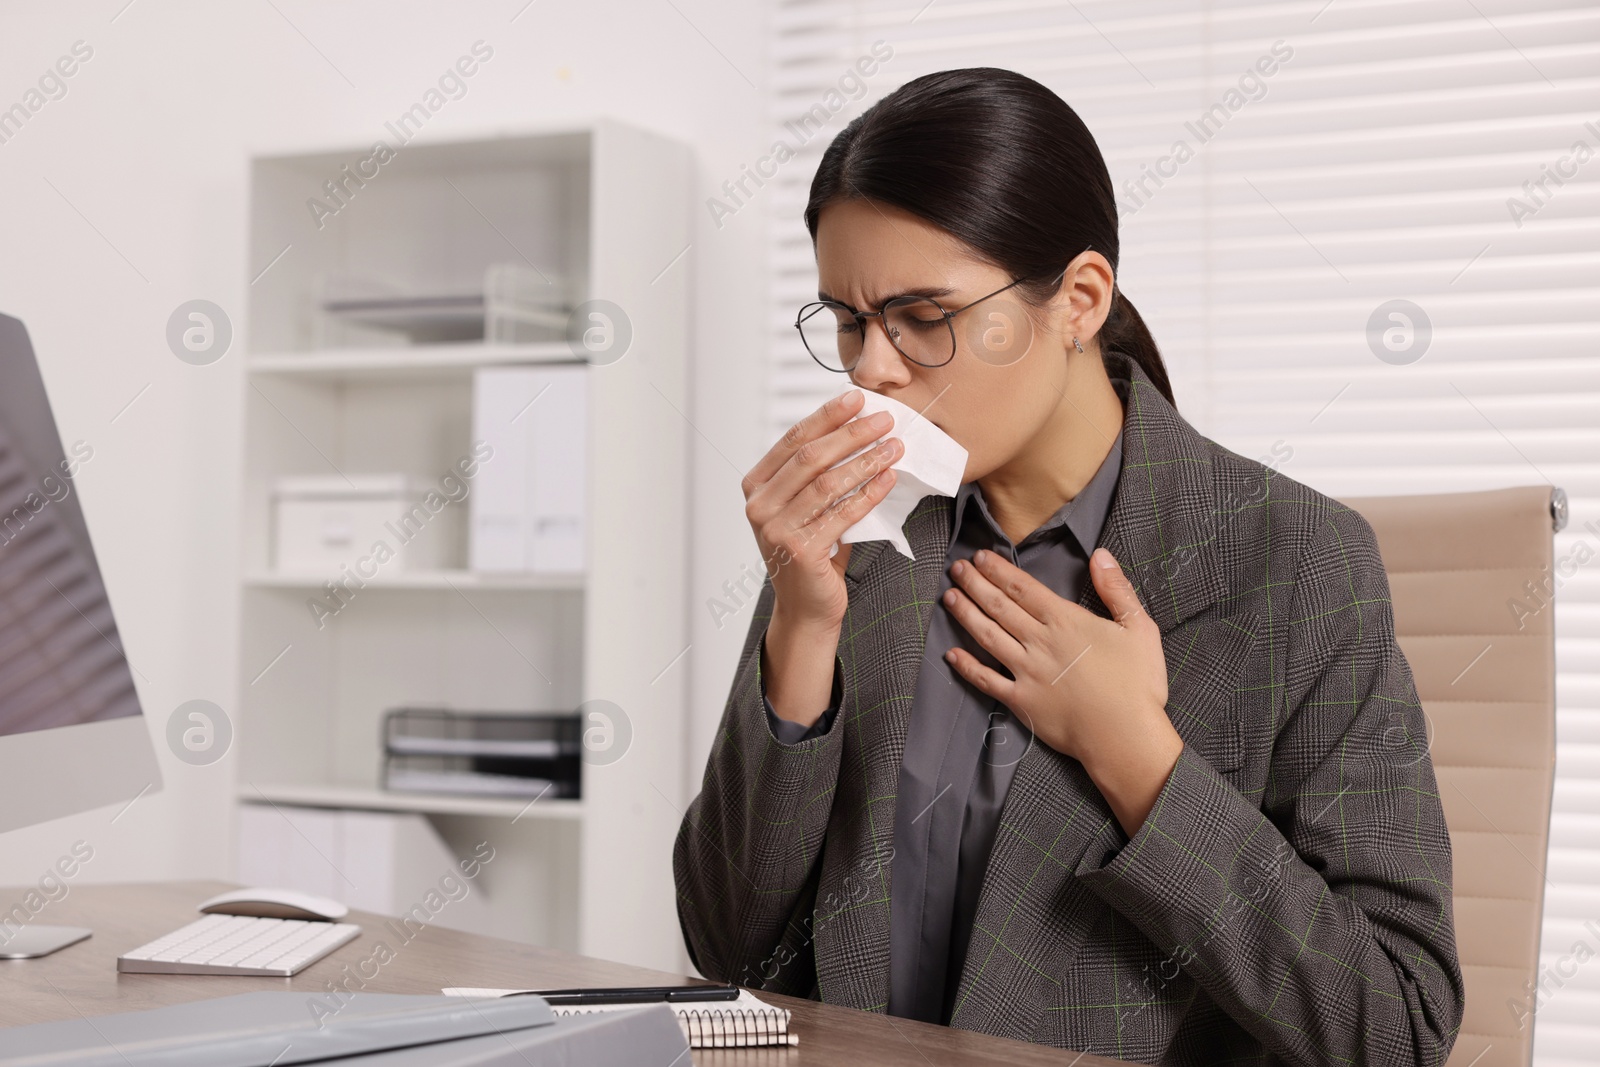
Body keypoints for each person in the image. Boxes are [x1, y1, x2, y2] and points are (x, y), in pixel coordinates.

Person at [673, 67, 1463, 1065]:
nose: (872, 367)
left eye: (923, 315)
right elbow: (727, 943)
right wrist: (800, 628)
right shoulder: (860, 540)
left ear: (1079, 298)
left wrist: (1137, 755)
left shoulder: (1296, 560)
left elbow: (1390, 1029)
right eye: (847, 319)